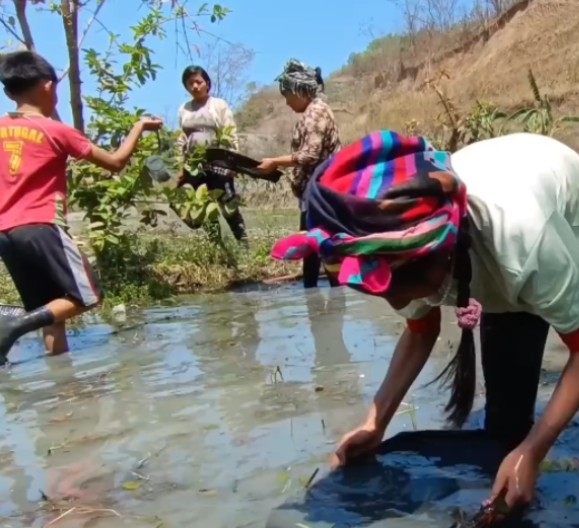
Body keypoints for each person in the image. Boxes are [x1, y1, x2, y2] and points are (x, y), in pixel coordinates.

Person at [270, 130, 579, 509]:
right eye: (383, 291)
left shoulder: (520, 237)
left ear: (442, 255)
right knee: (505, 427)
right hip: (506, 255)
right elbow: (420, 332)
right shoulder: (393, 244)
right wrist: (375, 423)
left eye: (401, 290)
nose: (398, 302)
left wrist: (534, 453)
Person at [0, 50, 163, 365]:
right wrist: (139, 127)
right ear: (49, 86)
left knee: (49, 310)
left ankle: (62, 391)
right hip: (41, 226)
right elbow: (115, 163)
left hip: (4, 233)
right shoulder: (55, 130)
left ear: (8, 92)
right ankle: (13, 326)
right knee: (87, 296)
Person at [257, 59, 341, 289]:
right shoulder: (313, 112)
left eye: (287, 96)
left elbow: (309, 155)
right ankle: (317, 298)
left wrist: (275, 162)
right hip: (316, 193)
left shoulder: (315, 114)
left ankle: (332, 300)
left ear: (300, 91)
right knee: (313, 249)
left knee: (324, 247)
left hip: (323, 194)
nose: (287, 103)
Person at [175, 65, 247, 243]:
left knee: (228, 205)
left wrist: (232, 163)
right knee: (203, 205)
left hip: (219, 164)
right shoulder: (184, 109)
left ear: (207, 83)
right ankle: (216, 247)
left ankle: (243, 244)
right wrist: (180, 166)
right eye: (190, 83)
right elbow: (182, 139)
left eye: (198, 82)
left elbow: (230, 133)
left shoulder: (218, 105)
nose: (195, 86)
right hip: (194, 166)